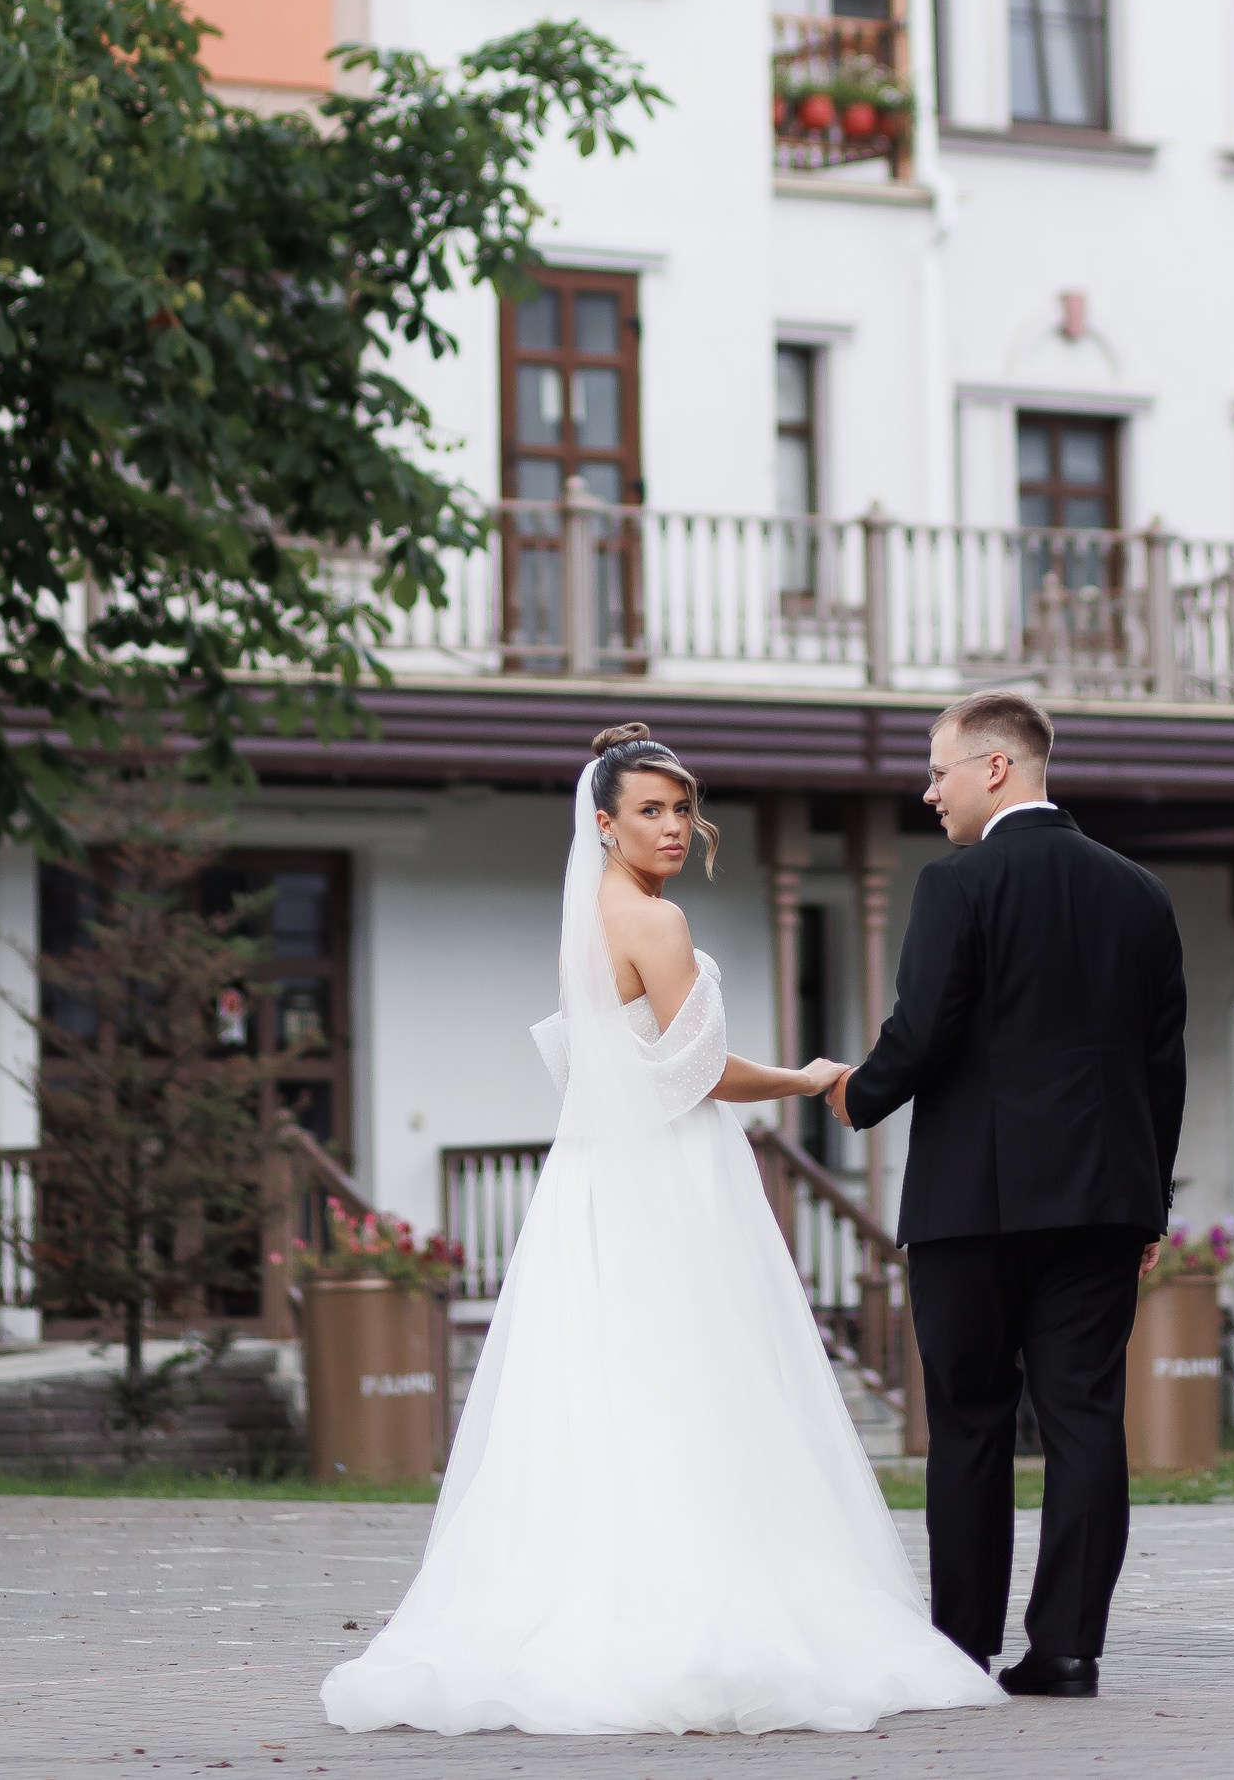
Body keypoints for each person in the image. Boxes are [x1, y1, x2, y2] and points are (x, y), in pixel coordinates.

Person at [320, 721, 1000, 1738]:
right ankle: (699, 1604)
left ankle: (581, 1598)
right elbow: (697, 1072)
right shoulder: (657, 922)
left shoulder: (584, 920)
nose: (674, 825)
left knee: (602, 1385)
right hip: (671, 1170)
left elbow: (597, 1060)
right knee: (694, 1377)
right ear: (604, 822)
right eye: (650, 808)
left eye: (682, 806)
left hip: (591, 1174)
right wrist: (809, 1075)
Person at [828, 687, 1186, 1701]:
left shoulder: (959, 884)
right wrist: (1145, 1201)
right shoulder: (1141, 893)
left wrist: (855, 1092)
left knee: (971, 1420)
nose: (927, 790)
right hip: (1103, 1203)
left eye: (937, 769)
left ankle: (960, 1647)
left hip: (971, 1207)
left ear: (995, 766)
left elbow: (924, 1023)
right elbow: (1163, 1067)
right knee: (1083, 1416)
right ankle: (1067, 1650)